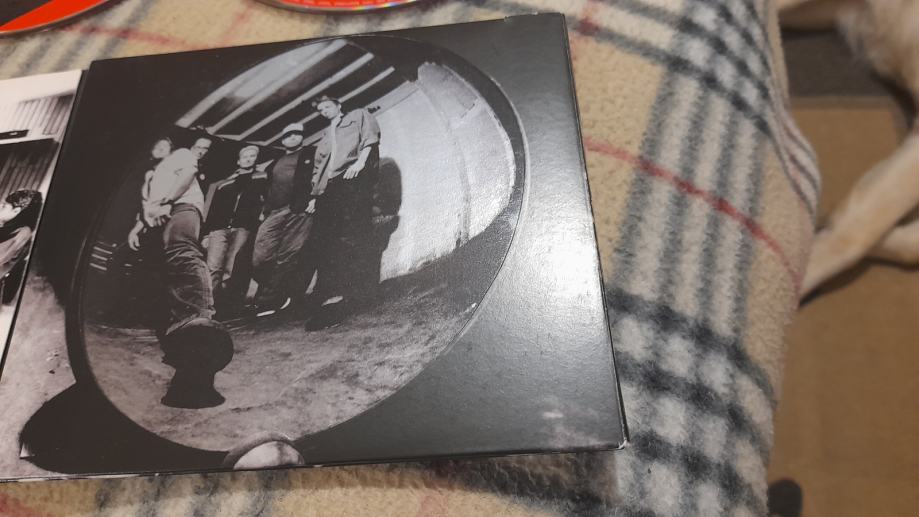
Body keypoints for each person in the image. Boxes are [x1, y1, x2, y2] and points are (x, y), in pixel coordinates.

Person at [140, 135, 233, 409]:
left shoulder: (181, 154)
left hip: (181, 208)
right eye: (156, 145)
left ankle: (202, 317)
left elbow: (188, 174)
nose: (160, 148)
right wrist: (142, 222)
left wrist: (168, 201)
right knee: (172, 268)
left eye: (164, 144)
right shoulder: (156, 172)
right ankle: (185, 327)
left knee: (184, 254)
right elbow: (149, 203)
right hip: (165, 214)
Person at [306, 95, 381, 329]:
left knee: (349, 235)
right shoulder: (326, 134)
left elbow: (370, 137)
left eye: (327, 106)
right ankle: (329, 296)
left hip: (350, 179)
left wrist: (360, 163)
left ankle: (348, 297)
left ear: (338, 104)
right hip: (327, 189)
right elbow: (319, 167)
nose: (324, 111)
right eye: (321, 109)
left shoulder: (357, 115)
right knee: (324, 240)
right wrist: (314, 195)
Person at [251, 123, 315, 314]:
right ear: (283, 140)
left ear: (302, 136)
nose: (293, 137)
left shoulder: (311, 153)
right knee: (260, 256)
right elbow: (268, 187)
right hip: (274, 211)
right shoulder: (275, 162)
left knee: (288, 254)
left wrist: (315, 198)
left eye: (297, 134)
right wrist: (265, 209)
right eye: (288, 135)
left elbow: (320, 176)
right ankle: (276, 291)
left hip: (299, 208)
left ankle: (273, 299)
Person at [202, 145, 266, 314]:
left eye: (252, 156)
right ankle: (208, 306)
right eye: (245, 156)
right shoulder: (225, 183)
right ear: (238, 161)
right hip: (219, 229)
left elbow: (265, 202)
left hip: (242, 229)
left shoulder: (262, 178)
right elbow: (213, 209)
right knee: (213, 267)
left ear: (256, 159)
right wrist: (206, 233)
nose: (248, 159)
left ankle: (223, 307)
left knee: (231, 269)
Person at [0, 189, 42, 304]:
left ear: (16, 211)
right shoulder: (12, 229)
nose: (0, 207)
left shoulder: (22, 233)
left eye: (4, 206)